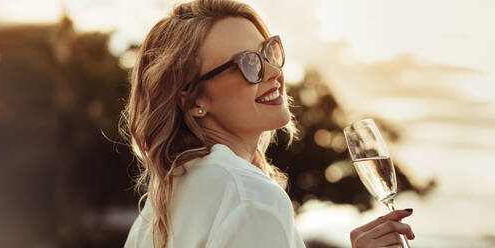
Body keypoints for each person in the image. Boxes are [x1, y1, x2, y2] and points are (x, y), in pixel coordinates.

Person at [120, 0, 415, 247]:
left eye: (269, 52)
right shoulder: (249, 197)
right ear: (194, 101)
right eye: (249, 64)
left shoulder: (159, 206)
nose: (274, 72)